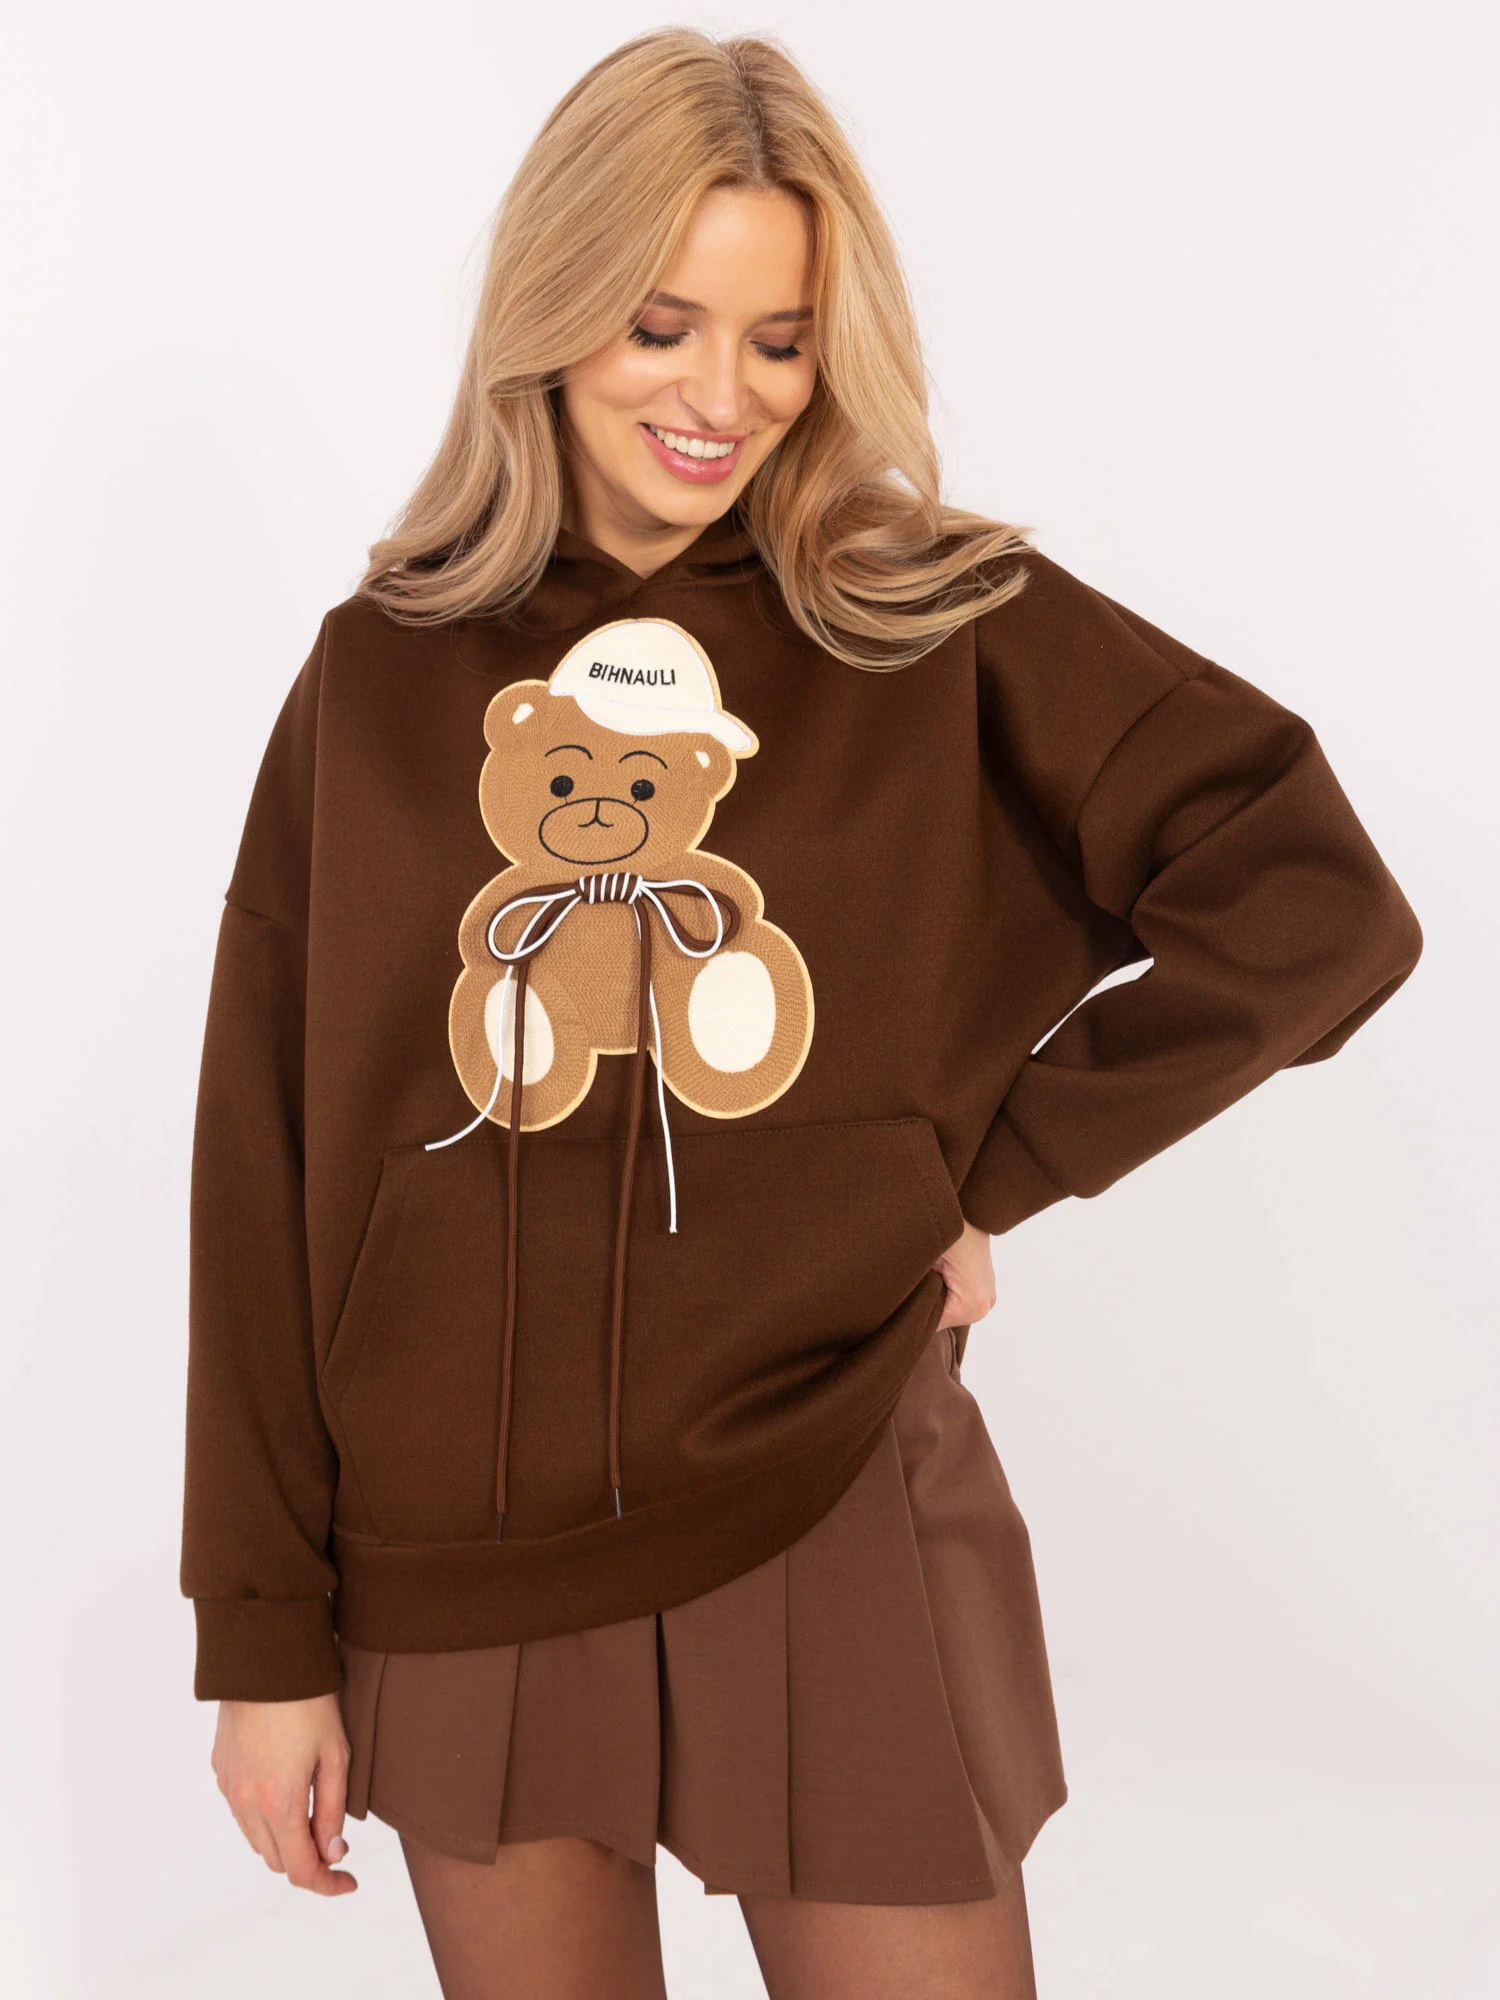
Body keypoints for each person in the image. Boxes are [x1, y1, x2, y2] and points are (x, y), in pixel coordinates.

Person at [180, 28, 1423, 2000]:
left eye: (780, 340)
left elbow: (1313, 904)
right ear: (554, 309)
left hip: (826, 1484)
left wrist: (989, 1170)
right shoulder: (380, 674)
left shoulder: (936, 620)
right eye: (661, 324)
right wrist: (261, 1638)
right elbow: (261, 1163)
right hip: (451, 1549)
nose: (721, 395)